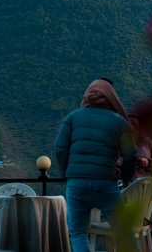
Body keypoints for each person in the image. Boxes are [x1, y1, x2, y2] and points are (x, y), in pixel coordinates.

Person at [55, 79, 137, 252]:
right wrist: (126, 177)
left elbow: (60, 150)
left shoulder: (72, 117)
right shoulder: (120, 122)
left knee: (77, 232)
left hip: (77, 183)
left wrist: (68, 174)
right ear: (112, 99)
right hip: (106, 183)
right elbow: (130, 155)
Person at [128, 115, 152, 180]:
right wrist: (117, 164)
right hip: (123, 185)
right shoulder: (115, 143)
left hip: (144, 184)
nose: (132, 128)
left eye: (135, 125)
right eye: (128, 125)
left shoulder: (150, 144)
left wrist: (148, 163)